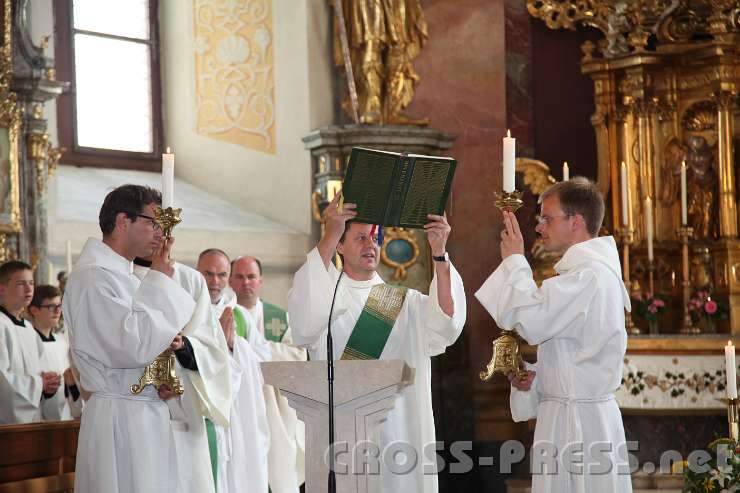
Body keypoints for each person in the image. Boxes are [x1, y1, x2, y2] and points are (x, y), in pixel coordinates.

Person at [287, 193, 466, 492]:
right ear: (339, 245)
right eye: (360, 238)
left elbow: (446, 324)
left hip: (399, 437)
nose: (371, 244)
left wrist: (438, 253)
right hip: (342, 441)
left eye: (375, 238)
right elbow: (304, 324)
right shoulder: (325, 300)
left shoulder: (406, 303)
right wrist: (330, 233)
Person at [474, 177, 632, 493]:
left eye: (547, 218)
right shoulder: (586, 274)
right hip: (572, 415)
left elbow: (531, 321)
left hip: (580, 426)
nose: (539, 227)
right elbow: (573, 355)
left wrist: (515, 261)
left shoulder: (589, 276)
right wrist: (535, 379)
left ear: (576, 221)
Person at [62, 184, 196, 493]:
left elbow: (144, 346)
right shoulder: (93, 277)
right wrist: (160, 279)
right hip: (118, 419)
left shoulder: (126, 276)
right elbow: (130, 346)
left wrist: (158, 379)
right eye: (153, 223)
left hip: (144, 413)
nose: (161, 234)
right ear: (123, 220)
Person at [132, 256, 231, 493]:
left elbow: (214, 351)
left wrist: (184, 346)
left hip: (185, 411)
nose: (158, 238)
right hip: (133, 408)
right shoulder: (116, 274)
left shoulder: (190, 279)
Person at [230, 256, 306, 492]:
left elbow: (298, 357)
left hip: (275, 408)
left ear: (261, 281)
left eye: (251, 277)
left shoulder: (280, 319)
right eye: (239, 277)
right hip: (238, 406)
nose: (246, 282)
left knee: (278, 469)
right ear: (230, 281)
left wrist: (249, 350)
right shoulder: (223, 315)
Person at [197, 249, 270, 493]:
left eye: (221, 275)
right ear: (197, 273)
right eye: (208, 274)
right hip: (202, 413)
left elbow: (263, 361)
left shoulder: (239, 315)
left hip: (238, 412)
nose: (215, 281)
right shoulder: (187, 310)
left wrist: (234, 347)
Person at [0, 261, 61, 424]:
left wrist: (48, 385)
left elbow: (39, 371)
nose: (29, 289)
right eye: (21, 284)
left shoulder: (28, 328)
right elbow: (2, 381)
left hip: (32, 423)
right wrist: (40, 383)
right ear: (2, 289)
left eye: (31, 283)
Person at [28, 284, 82, 420]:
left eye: (59, 305)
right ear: (34, 310)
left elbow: (70, 385)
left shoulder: (61, 342)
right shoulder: (28, 342)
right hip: (37, 419)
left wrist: (71, 383)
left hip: (65, 417)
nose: (58, 311)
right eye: (51, 306)